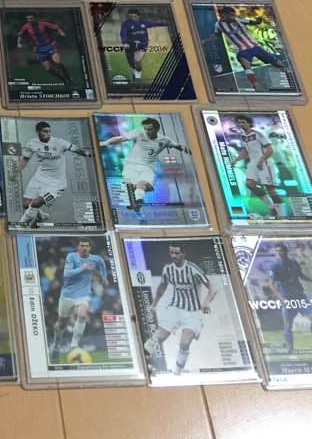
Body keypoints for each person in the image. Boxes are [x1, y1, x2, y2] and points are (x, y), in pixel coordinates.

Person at [100, 117, 190, 224]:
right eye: (145, 129)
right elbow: (120, 139)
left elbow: (178, 146)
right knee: (132, 194)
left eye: (150, 129)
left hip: (147, 167)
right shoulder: (138, 133)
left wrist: (186, 149)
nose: (147, 131)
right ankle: (139, 211)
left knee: (142, 184)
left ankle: (139, 202)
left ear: (156, 129)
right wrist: (105, 143)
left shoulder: (165, 140)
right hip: (130, 166)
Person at [145, 244, 216, 375]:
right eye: (171, 253)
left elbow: (212, 287)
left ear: (183, 254)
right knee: (155, 339)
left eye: (177, 253)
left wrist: (206, 302)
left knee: (184, 343)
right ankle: (145, 364)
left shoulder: (193, 269)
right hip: (175, 309)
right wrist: (154, 304)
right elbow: (162, 287)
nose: (174, 256)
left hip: (192, 312)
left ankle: (177, 372)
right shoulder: (168, 269)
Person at [15, 121, 91, 227]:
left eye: (49, 131)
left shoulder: (59, 142)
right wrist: (17, 170)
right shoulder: (32, 143)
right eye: (45, 131)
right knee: (26, 204)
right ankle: (41, 216)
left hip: (56, 183)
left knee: (35, 203)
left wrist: (88, 154)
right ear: (38, 132)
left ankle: (20, 226)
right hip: (40, 177)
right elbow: (25, 159)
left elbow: (76, 149)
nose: (48, 134)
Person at [203, 6, 286, 91]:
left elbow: (254, 22)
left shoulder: (239, 20)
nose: (233, 17)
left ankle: (287, 75)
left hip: (255, 47)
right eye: (231, 15)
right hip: (242, 50)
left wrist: (259, 19)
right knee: (246, 66)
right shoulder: (218, 25)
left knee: (278, 63)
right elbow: (216, 35)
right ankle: (256, 85)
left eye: (234, 15)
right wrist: (206, 40)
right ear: (224, 15)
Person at [50, 238, 108, 360]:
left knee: (82, 315)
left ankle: (74, 345)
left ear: (90, 248)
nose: (84, 248)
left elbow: (102, 263)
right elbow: (67, 273)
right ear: (78, 247)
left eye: (86, 246)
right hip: (68, 295)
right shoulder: (71, 257)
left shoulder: (95, 259)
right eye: (82, 245)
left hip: (84, 294)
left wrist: (104, 277)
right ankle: (56, 345)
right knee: (61, 323)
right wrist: (83, 268)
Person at [230, 114, 285, 219]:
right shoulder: (243, 136)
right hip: (253, 163)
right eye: (239, 122)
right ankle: (272, 208)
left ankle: (282, 215)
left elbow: (270, 150)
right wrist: (236, 160)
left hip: (264, 162)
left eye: (243, 122)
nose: (241, 124)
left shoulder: (258, 133)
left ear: (249, 123)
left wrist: (262, 160)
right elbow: (246, 151)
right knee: (249, 184)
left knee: (270, 189)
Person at [267, 243, 312, 354]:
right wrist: (281, 298)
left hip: (300, 297)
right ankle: (290, 349)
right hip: (287, 298)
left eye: (281, 251)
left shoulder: (294, 262)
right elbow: (270, 284)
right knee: (288, 324)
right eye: (277, 251)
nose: (279, 253)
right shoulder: (274, 265)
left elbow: (301, 276)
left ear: (286, 251)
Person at [16, 14, 73, 87]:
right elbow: (20, 35)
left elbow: (56, 27)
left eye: (31, 18)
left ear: (35, 18)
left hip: (50, 46)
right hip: (39, 49)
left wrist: (61, 32)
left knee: (58, 63)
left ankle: (68, 77)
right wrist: (18, 43)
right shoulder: (25, 27)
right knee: (48, 69)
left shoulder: (42, 24)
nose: (30, 20)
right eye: (28, 19)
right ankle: (63, 80)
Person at [119, 8, 169, 81]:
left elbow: (156, 23)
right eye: (131, 17)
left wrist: (167, 23)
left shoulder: (144, 23)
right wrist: (125, 42)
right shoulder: (126, 24)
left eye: (134, 16)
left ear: (138, 16)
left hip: (142, 45)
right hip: (130, 45)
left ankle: (138, 78)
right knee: (131, 63)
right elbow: (123, 33)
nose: (133, 18)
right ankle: (135, 72)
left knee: (137, 60)